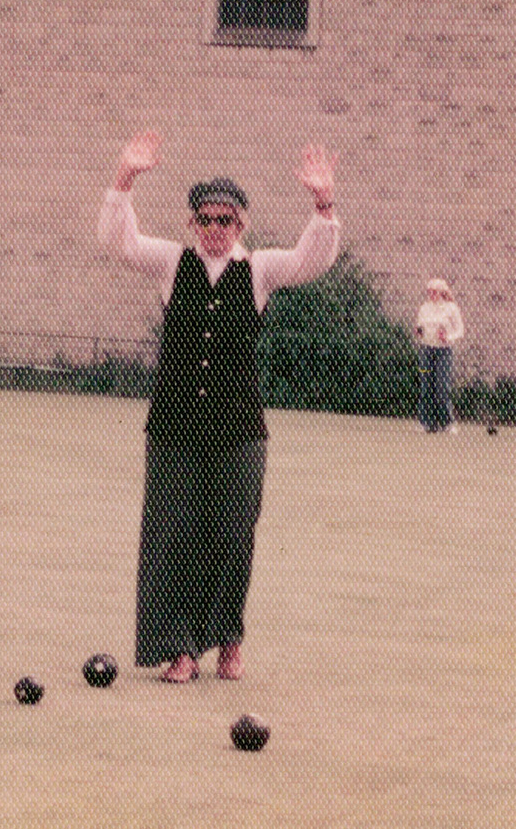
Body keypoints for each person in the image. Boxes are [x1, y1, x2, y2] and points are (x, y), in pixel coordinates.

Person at [99, 131, 339, 683]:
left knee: (232, 532)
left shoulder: (258, 270)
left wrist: (323, 204)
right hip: (174, 426)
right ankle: (181, 649)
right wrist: (124, 179)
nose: (214, 230)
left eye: (225, 220)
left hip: (239, 429)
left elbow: (312, 260)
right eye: (204, 219)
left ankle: (228, 639)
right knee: (173, 532)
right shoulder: (169, 263)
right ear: (192, 224)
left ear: (241, 226)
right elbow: (120, 241)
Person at [413, 278, 464, 433]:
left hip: (443, 351)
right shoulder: (424, 308)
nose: (431, 294)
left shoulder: (451, 308)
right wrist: (418, 332)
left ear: (442, 292)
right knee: (426, 386)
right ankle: (427, 423)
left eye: (434, 291)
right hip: (427, 349)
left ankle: (447, 423)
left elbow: (460, 330)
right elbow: (420, 327)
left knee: (441, 386)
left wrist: (447, 338)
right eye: (429, 292)